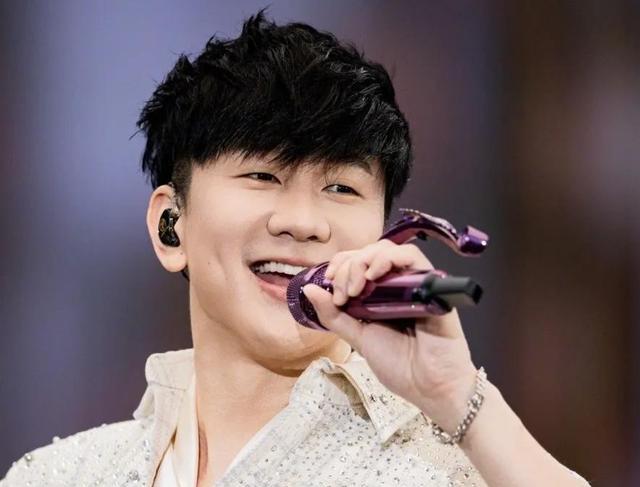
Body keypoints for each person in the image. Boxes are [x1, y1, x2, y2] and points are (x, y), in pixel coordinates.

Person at [1, 9, 590, 487]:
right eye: (262, 176)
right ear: (171, 226)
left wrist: (458, 397)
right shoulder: (59, 476)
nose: (304, 223)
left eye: (341, 188)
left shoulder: (451, 469)